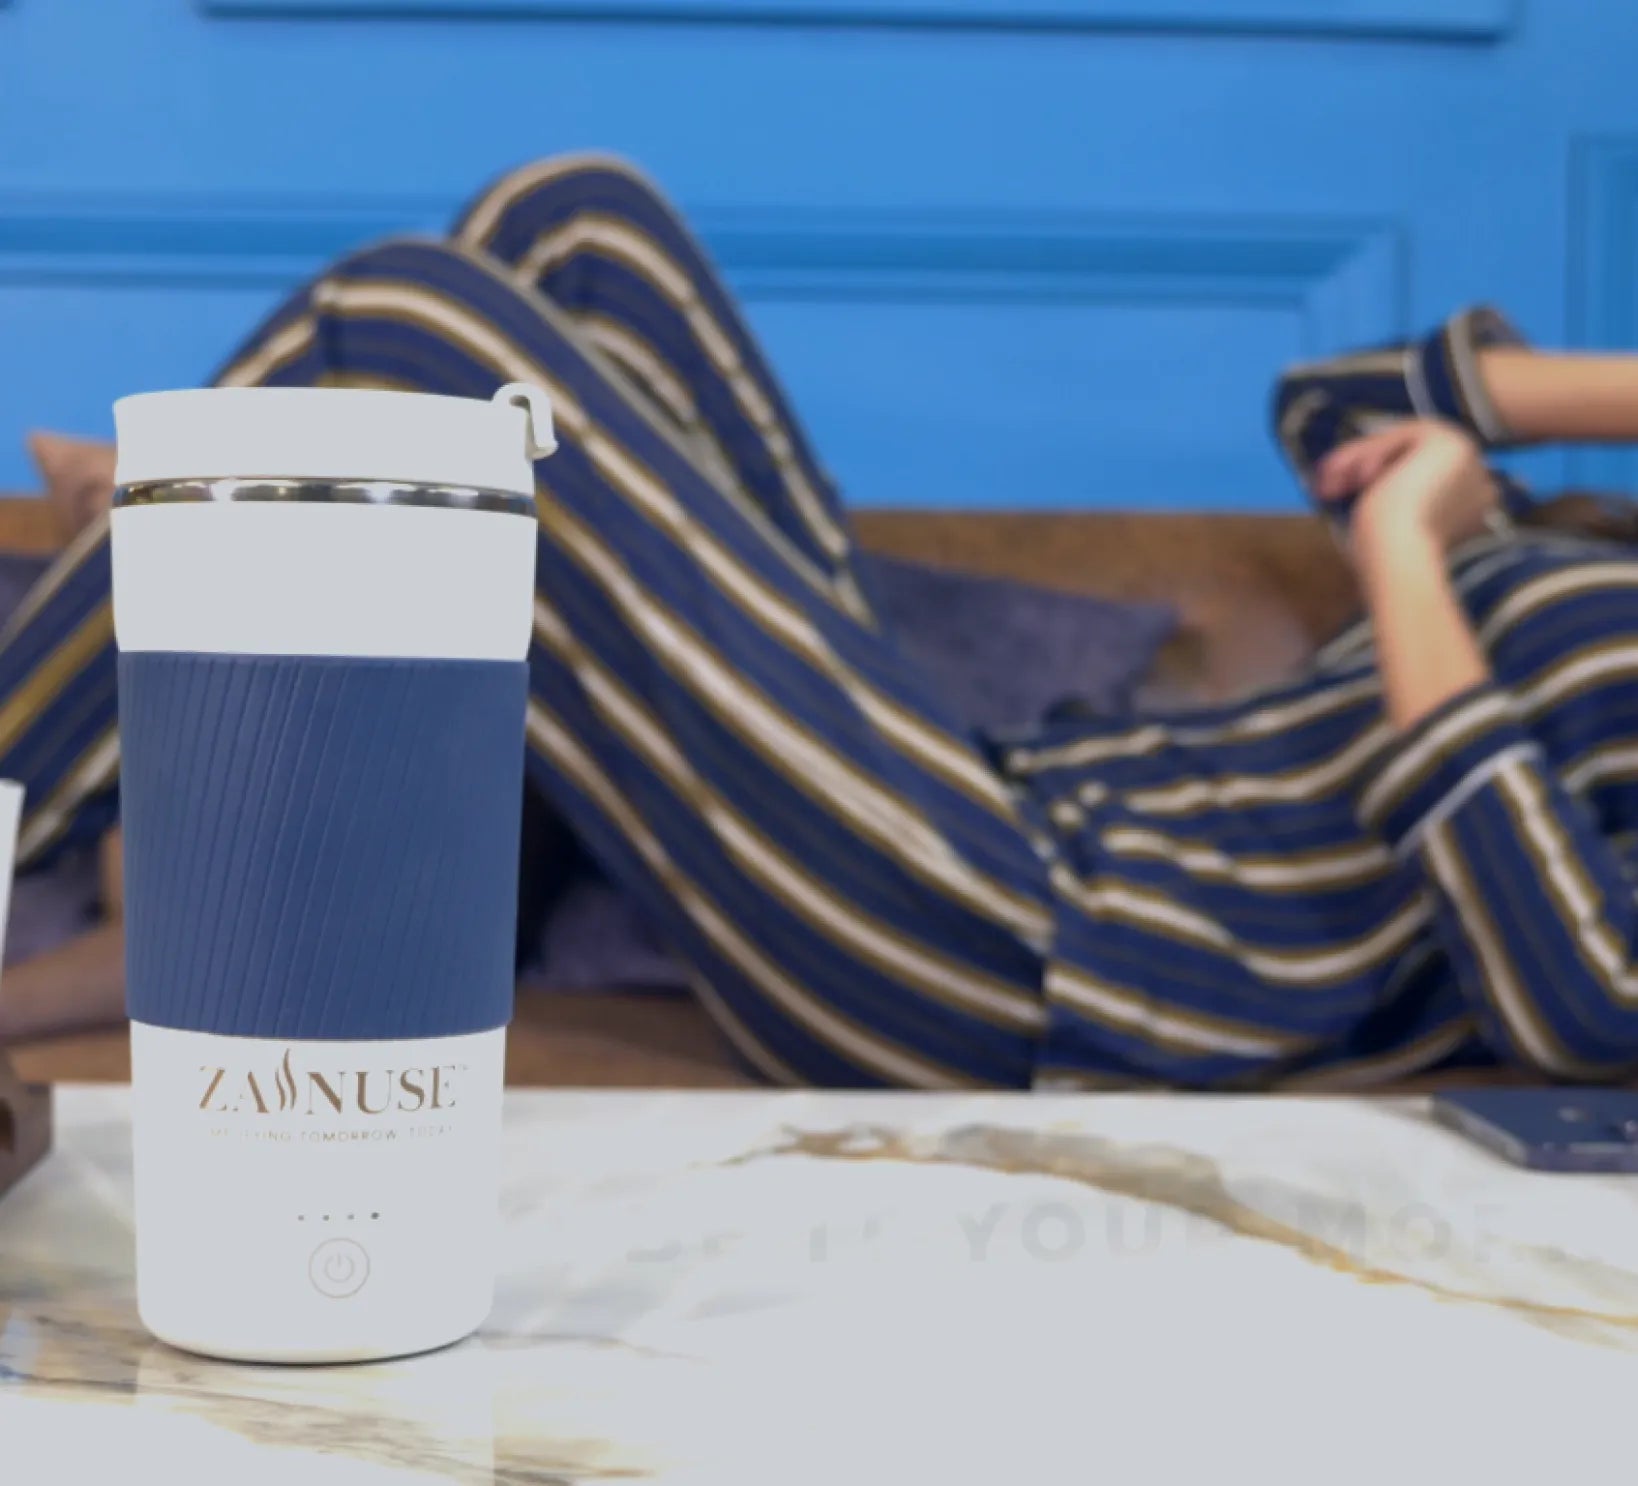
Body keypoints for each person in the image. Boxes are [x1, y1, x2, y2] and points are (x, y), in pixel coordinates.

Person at [5, 153, 1638, 1091]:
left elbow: (1578, 997)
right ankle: (298, 817)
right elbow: (1334, 407)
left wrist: (1413, 554)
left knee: (405, 323)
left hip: (1020, 963)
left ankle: (209, 532)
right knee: (579, 230)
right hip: (974, 796)